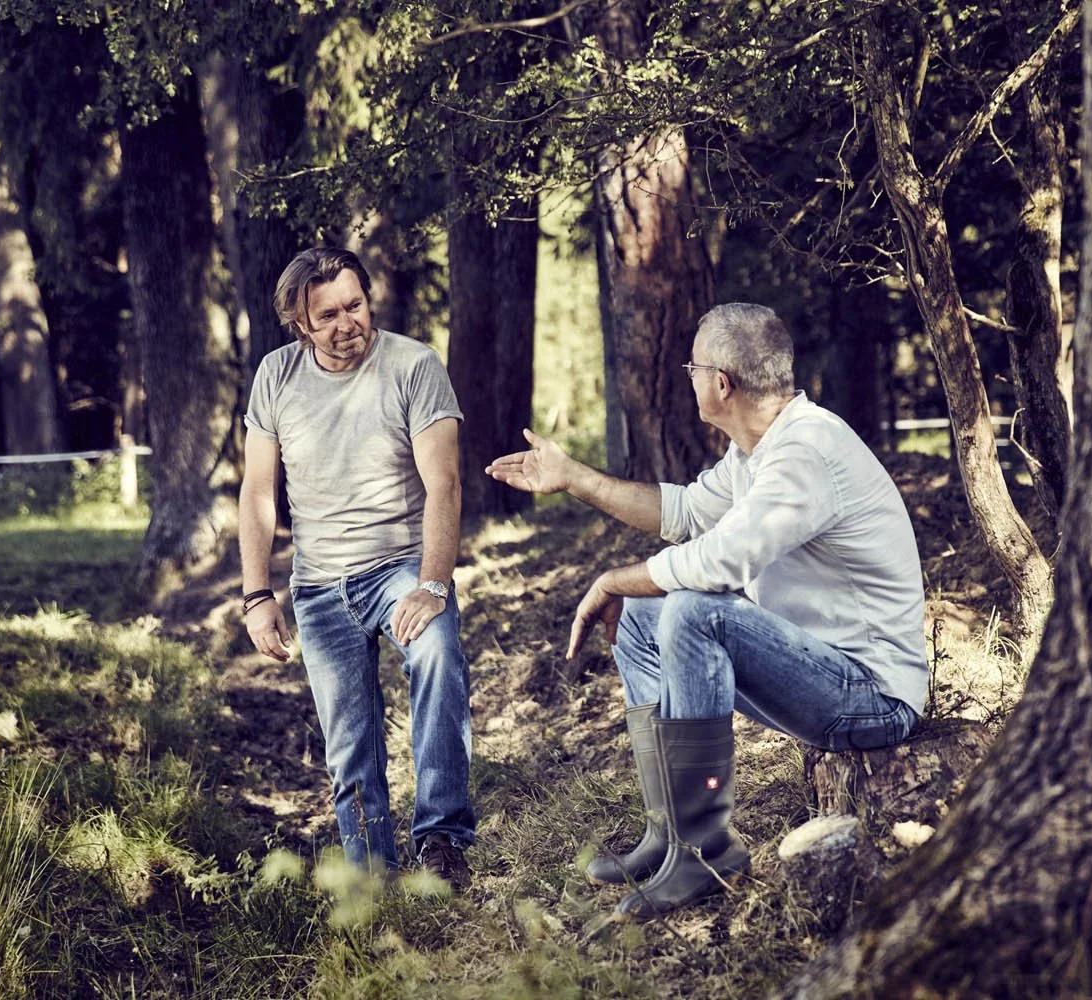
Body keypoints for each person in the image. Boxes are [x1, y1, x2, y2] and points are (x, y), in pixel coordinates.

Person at [485, 303, 928, 919]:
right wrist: (574, 478)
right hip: (820, 675)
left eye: (691, 366)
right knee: (645, 617)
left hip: (872, 696)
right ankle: (668, 835)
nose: (686, 375)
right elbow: (687, 513)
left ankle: (705, 850)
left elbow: (719, 564)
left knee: (693, 608)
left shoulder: (805, 453)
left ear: (721, 383)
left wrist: (616, 577)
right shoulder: (757, 451)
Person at [239, 247, 475, 891]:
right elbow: (258, 490)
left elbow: (444, 483)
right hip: (318, 586)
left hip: (401, 564)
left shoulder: (414, 365)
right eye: (328, 315)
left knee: (437, 658)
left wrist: (432, 585)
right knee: (349, 744)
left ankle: (443, 841)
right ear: (300, 324)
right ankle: (373, 875)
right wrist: (256, 594)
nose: (348, 324)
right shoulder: (276, 376)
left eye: (355, 305)